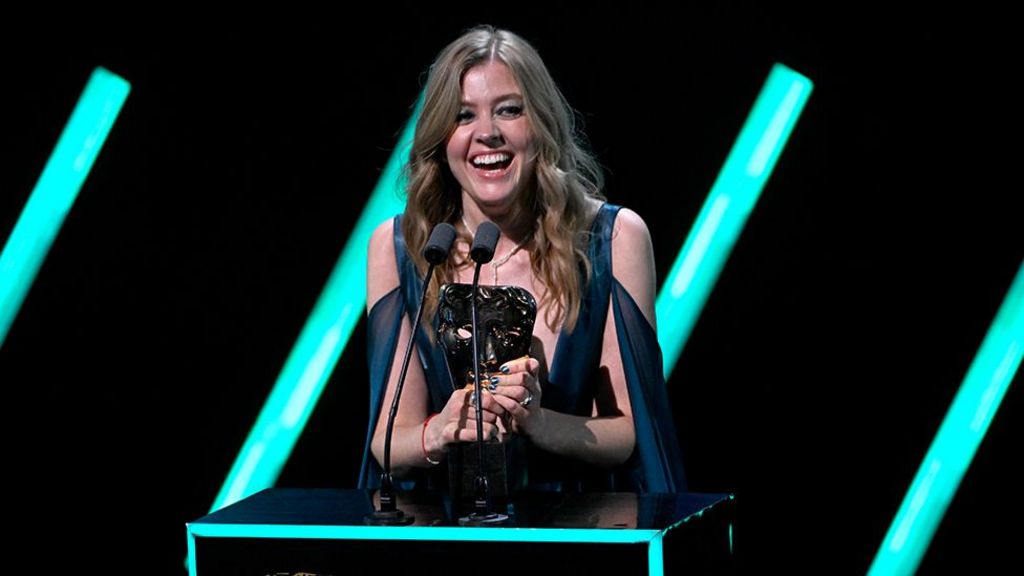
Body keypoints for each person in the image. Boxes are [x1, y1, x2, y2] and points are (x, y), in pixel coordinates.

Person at [358, 25, 685, 494]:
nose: (487, 133)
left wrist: (538, 421)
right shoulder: (402, 247)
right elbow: (388, 443)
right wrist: (443, 429)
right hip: (444, 526)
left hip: (581, 524)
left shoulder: (613, 238)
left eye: (509, 110)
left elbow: (630, 432)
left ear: (541, 124)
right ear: (440, 138)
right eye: (463, 116)